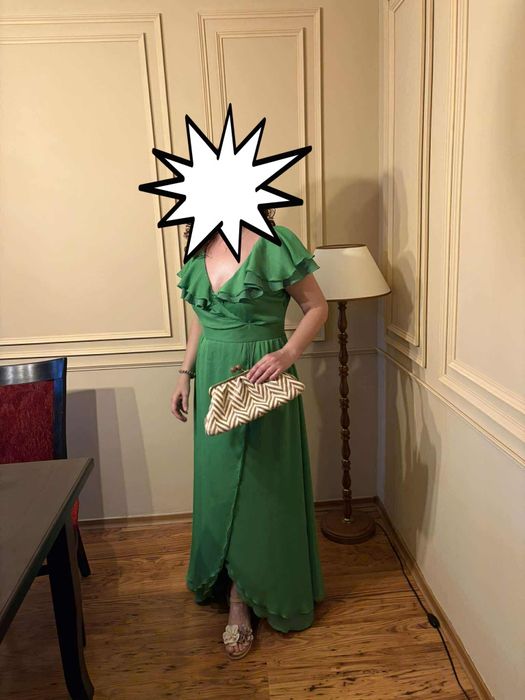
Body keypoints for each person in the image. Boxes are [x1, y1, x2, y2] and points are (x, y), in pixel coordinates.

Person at [171, 211, 328, 659]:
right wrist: (185, 373)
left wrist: (288, 353)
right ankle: (228, 576)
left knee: (263, 486)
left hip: (262, 376)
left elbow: (317, 307)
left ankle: (244, 597)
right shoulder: (200, 244)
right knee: (219, 485)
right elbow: (202, 317)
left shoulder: (275, 240)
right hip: (213, 377)